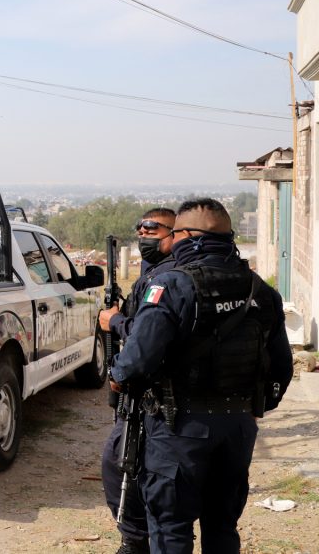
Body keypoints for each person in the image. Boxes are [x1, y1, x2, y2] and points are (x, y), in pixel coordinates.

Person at [109, 198, 293, 554]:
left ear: (189, 236)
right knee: (222, 526)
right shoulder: (260, 289)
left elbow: (136, 361)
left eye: (176, 234)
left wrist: (118, 374)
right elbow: (281, 367)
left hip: (179, 427)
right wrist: (250, 408)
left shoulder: (171, 285)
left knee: (170, 529)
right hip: (238, 427)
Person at [96, 208, 176, 554]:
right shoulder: (152, 271)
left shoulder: (170, 277)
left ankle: (135, 539)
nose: (143, 236)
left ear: (175, 233)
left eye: (152, 230)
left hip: (153, 393)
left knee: (122, 462)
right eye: (140, 231)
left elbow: (147, 338)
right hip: (145, 390)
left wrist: (114, 323)